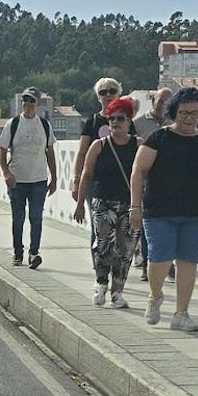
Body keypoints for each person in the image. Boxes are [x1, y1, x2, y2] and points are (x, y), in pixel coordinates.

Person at [129, 87, 198, 333]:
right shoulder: (159, 138)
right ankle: (155, 297)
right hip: (159, 211)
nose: (189, 118)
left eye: (194, 113)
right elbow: (138, 171)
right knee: (160, 258)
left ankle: (181, 313)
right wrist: (135, 205)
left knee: (188, 261)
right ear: (174, 112)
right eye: (184, 112)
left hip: (197, 211)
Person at [73, 97, 141, 308]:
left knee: (125, 249)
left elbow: (146, 176)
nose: (115, 123)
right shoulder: (99, 145)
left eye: (120, 118)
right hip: (103, 203)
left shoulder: (139, 145)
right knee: (103, 245)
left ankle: (117, 292)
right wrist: (79, 203)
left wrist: (141, 205)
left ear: (129, 120)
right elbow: (86, 175)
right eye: (111, 119)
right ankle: (101, 283)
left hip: (129, 205)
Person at [72, 78, 137, 261]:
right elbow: (82, 153)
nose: (108, 95)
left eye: (112, 90)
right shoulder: (92, 122)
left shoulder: (127, 120)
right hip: (97, 182)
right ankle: (100, 269)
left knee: (122, 230)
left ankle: (116, 268)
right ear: (98, 97)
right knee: (99, 227)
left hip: (124, 183)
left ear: (119, 93)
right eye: (103, 92)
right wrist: (77, 181)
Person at [0, 87, 58, 269]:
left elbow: (50, 152)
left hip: (38, 180)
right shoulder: (13, 124)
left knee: (36, 217)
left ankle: (34, 252)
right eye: (25, 100)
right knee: (18, 218)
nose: (28, 104)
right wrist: (6, 173)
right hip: (17, 180)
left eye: (31, 100)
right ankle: (18, 252)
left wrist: (54, 178)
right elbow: (1, 149)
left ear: (37, 103)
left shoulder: (45, 125)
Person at [132, 87, 172, 280]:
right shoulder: (138, 123)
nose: (164, 105)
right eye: (161, 101)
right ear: (153, 99)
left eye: (168, 102)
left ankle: (169, 263)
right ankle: (147, 263)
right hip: (147, 181)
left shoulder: (174, 124)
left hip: (170, 182)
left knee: (171, 223)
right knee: (149, 224)